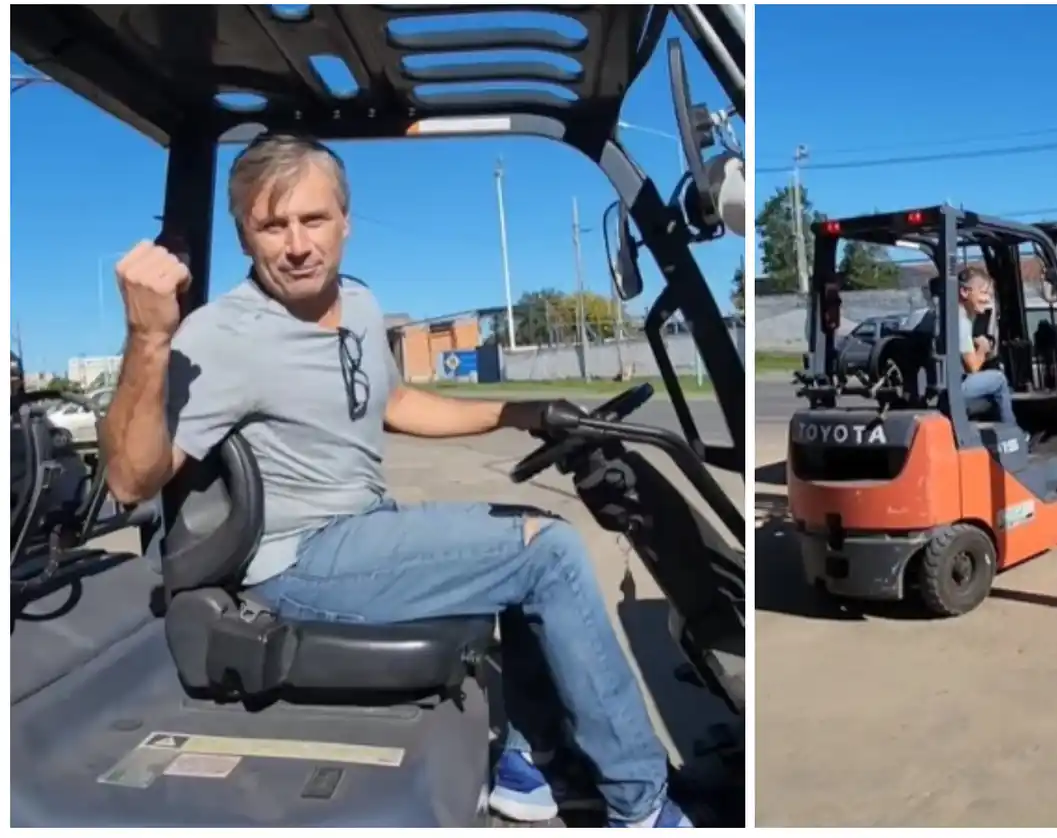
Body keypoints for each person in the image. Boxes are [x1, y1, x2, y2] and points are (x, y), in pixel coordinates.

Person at [99, 133, 691, 828]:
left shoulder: (359, 303)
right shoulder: (221, 336)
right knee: (547, 552)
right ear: (243, 235)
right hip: (297, 561)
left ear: (345, 220)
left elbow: (396, 403)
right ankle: (641, 801)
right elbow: (132, 479)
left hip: (365, 530)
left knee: (521, 537)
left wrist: (521, 413)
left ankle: (533, 766)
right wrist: (147, 339)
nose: (297, 244)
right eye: (272, 225)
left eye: (313, 219)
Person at [953, 264, 1019, 426]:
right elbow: (973, 367)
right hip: (957, 387)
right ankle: (1012, 431)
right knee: (999, 380)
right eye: (983, 293)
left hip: (949, 383)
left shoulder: (953, 315)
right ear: (964, 292)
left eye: (989, 294)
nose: (987, 299)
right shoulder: (960, 322)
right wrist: (982, 347)